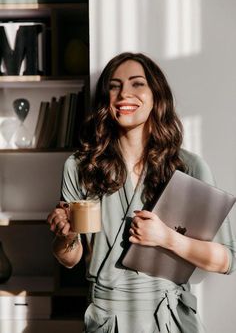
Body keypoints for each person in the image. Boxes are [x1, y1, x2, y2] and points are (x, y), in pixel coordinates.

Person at [47, 52, 236, 333]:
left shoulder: (188, 167)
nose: (124, 93)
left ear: (156, 96)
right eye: (114, 85)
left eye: (137, 84)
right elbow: (71, 258)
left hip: (169, 319)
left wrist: (167, 239)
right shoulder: (79, 167)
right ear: (105, 99)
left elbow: (225, 261)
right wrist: (67, 236)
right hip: (108, 318)